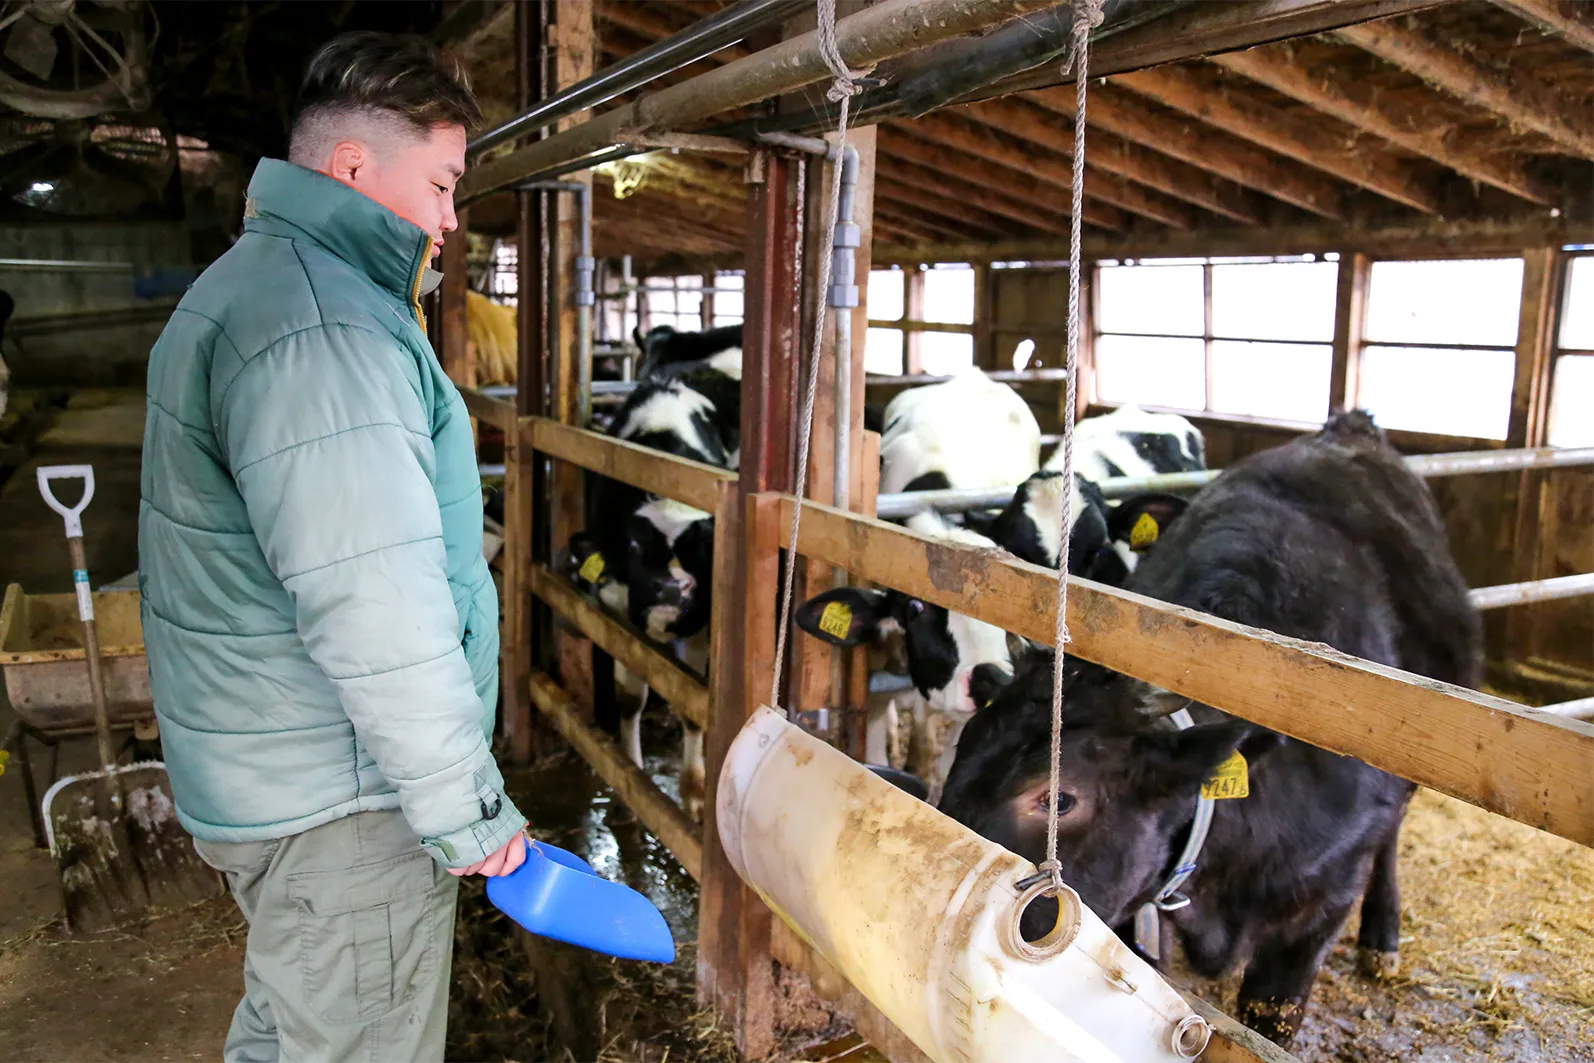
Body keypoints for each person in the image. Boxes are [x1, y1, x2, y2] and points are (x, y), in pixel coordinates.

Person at [138, 32, 526, 1062]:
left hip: (274, 771)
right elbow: (374, 601)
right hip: (345, 798)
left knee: (293, 1028)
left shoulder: (255, 287)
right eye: (442, 184)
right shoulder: (327, 327)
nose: (450, 219)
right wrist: (465, 807)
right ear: (354, 165)